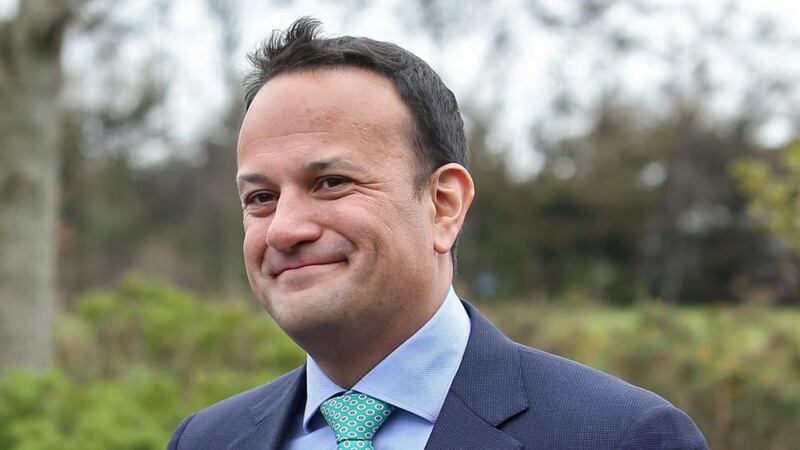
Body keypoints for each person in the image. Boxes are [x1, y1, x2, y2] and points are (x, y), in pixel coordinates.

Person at [168, 17, 708, 450]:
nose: (285, 229)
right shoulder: (207, 439)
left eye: (331, 183)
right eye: (261, 198)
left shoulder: (624, 437)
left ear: (443, 205)